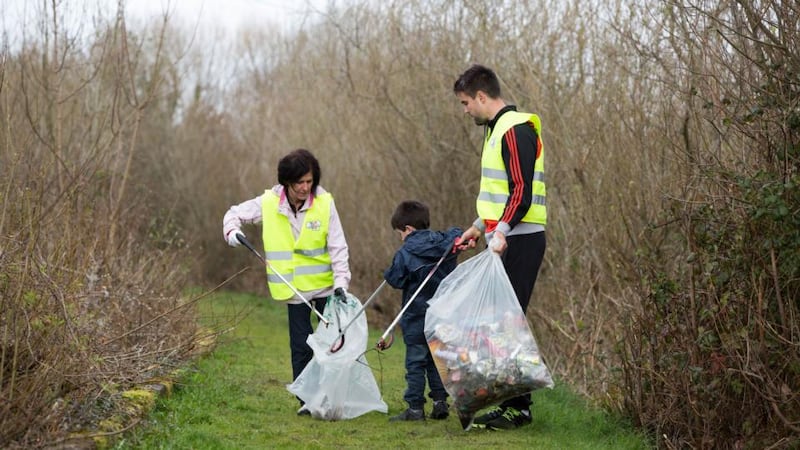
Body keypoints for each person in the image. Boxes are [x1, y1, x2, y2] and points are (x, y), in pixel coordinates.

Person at [452, 64, 547, 430]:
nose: (465, 111)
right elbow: (499, 193)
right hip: (501, 237)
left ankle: (518, 408)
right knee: (497, 322)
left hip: (520, 239)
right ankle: (503, 401)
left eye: (465, 103)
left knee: (507, 322)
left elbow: (521, 190)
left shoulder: (515, 129)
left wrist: (503, 230)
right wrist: (478, 227)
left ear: (481, 96)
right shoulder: (495, 131)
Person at [222, 148, 351, 416]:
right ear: (287, 183)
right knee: (300, 346)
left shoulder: (325, 203)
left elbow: (338, 246)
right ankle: (307, 401)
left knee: (332, 345)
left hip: (327, 288)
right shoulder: (269, 203)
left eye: (309, 181)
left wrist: (342, 283)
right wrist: (232, 232)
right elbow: (233, 214)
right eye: (300, 183)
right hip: (294, 290)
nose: (306, 188)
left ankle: (333, 397)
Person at [383, 200, 462, 422]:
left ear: (408, 229)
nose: (400, 237)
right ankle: (440, 403)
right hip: (443, 316)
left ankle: (415, 408)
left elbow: (396, 280)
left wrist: (388, 273)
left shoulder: (405, 252)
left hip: (417, 316)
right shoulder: (447, 244)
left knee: (416, 362)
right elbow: (457, 232)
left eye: (400, 232)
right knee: (438, 360)